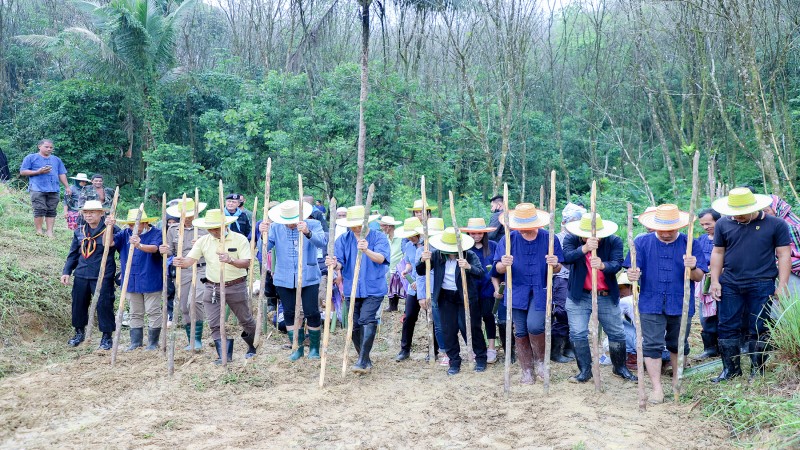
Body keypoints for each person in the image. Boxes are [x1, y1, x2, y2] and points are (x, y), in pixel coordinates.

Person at [625, 204, 706, 403]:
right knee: (651, 344)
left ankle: (677, 383)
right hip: (650, 301)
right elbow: (632, 272)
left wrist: (692, 266)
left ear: (678, 227)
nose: (667, 234)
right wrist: (632, 274)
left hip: (681, 301)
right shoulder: (641, 243)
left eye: (671, 230)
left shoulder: (690, 243)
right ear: (655, 227)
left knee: (678, 343)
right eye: (662, 230)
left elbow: (698, 276)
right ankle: (656, 388)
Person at [709, 188, 791, 381]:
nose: (738, 217)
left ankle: (757, 369)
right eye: (734, 214)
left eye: (741, 213)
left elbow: (784, 254)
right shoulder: (722, 224)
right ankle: (731, 370)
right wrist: (714, 281)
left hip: (762, 282)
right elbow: (718, 252)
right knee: (727, 325)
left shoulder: (776, 224)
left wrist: (783, 284)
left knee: (759, 325)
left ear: (753, 206)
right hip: (730, 282)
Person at [173, 208, 258, 363]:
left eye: (216, 228)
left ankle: (253, 346)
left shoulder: (240, 239)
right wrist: (180, 262)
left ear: (224, 226)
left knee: (245, 319)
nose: (213, 231)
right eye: (210, 229)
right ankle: (224, 355)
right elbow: (189, 261)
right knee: (214, 322)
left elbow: (247, 262)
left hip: (235, 286)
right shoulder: (203, 241)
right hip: (212, 287)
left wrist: (230, 260)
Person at [493, 203, 563, 385]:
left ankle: (540, 361)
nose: (523, 230)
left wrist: (554, 263)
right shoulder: (508, 240)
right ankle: (526, 370)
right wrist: (504, 263)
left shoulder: (549, 238)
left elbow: (557, 268)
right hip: (516, 290)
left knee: (535, 326)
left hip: (540, 290)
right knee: (521, 330)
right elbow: (497, 268)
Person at [562, 212, 637, 383]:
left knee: (617, 332)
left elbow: (618, 263)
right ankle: (585, 371)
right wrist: (585, 249)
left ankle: (620, 368)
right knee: (578, 333)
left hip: (605, 295)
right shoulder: (572, 240)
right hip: (579, 295)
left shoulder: (613, 241)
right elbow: (566, 257)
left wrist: (603, 265)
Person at [260, 200, 327, 360]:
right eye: (286, 222)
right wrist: (262, 235)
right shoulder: (275, 227)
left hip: (309, 276)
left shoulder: (313, 224)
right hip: (284, 277)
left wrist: (307, 232)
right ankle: (296, 347)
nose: (289, 225)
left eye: (292, 222)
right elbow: (264, 250)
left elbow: (322, 242)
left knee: (312, 312)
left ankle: (314, 349)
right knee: (289, 312)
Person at [325, 205, 389, 374]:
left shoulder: (379, 238)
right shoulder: (343, 240)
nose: (356, 227)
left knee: (366, 320)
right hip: (352, 289)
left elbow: (381, 258)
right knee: (353, 325)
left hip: (373, 288)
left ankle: (361, 361)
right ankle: (364, 358)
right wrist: (334, 264)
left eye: (359, 223)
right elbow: (340, 263)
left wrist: (366, 250)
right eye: (352, 224)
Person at [418, 227, 488, 375]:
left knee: (470, 327)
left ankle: (481, 358)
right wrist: (422, 260)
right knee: (448, 330)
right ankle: (454, 361)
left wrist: (468, 267)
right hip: (445, 297)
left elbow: (481, 273)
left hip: (466, 296)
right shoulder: (436, 255)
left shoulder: (469, 255)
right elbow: (420, 270)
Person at [60, 200, 118, 350]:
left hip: (102, 274)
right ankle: (79, 332)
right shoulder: (79, 231)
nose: (88, 215)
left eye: (92, 212)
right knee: (78, 304)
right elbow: (73, 254)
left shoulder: (111, 229)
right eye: (85, 212)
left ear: (101, 213)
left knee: (104, 304)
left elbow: (119, 248)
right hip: (81, 274)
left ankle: (106, 336)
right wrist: (66, 271)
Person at [106, 208, 164, 351]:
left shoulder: (157, 233)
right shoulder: (125, 234)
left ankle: (153, 342)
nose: (133, 228)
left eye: (136, 224)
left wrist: (139, 245)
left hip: (151, 278)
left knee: (153, 311)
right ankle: (136, 342)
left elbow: (155, 248)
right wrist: (109, 227)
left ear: (145, 223)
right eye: (131, 225)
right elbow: (109, 243)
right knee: (135, 311)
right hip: (131, 280)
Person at [160, 198, 208, 350]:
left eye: (190, 214)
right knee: (184, 307)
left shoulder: (205, 228)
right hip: (182, 271)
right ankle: (192, 340)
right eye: (184, 215)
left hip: (201, 268)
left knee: (194, 301)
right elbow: (170, 252)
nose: (187, 218)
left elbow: (215, 249)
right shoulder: (173, 229)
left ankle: (198, 338)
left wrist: (201, 245)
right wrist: (165, 251)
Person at [463, 218, 499, 363]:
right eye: (473, 234)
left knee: (489, 316)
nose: (476, 236)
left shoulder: (493, 246)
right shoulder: (465, 249)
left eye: (479, 234)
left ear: (484, 234)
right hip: (471, 288)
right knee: (473, 319)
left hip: (488, 287)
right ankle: (476, 348)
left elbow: (497, 267)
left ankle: (491, 348)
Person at [553, 202, 586, 363]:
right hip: (562, 278)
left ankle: (568, 346)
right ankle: (555, 350)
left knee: (575, 313)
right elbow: (564, 259)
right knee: (561, 312)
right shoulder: (558, 238)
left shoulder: (581, 238)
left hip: (578, 279)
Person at [19, 139, 71, 237]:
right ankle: (39, 231)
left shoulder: (56, 159)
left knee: (52, 210)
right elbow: (23, 172)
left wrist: (67, 187)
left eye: (51, 147)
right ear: (39, 146)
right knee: (39, 209)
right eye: (46, 147)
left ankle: (49, 231)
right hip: (37, 188)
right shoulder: (31, 157)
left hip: (54, 188)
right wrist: (38, 172)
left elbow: (61, 173)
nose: (49, 149)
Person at [394, 217, 425, 361]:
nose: (410, 237)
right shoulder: (409, 246)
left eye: (413, 234)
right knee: (409, 317)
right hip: (413, 288)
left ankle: (435, 350)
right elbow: (409, 262)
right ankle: (404, 349)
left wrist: (420, 283)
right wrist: (406, 270)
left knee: (433, 319)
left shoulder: (428, 246)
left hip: (427, 286)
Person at [694, 208, 721, 361]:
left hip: (723, 281)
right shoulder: (701, 240)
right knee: (706, 315)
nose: (705, 227)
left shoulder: (726, 236)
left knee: (724, 314)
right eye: (702, 224)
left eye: (708, 223)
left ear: (718, 221)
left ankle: (727, 346)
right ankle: (710, 348)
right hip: (704, 283)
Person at [764, 194, 800, 297]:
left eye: (766, 211)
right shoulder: (767, 226)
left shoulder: (793, 227)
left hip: (792, 273)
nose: (764, 214)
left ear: (778, 210)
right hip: (775, 272)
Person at [379, 215, 405, 312]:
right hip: (389, 265)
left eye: (382, 225)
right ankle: (392, 306)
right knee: (392, 286)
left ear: (388, 226)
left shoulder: (401, 237)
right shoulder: (384, 238)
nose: (381, 228)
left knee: (403, 286)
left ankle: (406, 308)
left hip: (400, 265)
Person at [616, 272, 638, 371]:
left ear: (630, 287)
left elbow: (613, 319)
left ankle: (633, 358)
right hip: (664, 347)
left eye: (621, 288)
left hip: (644, 346)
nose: (619, 292)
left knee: (615, 324)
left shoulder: (627, 300)